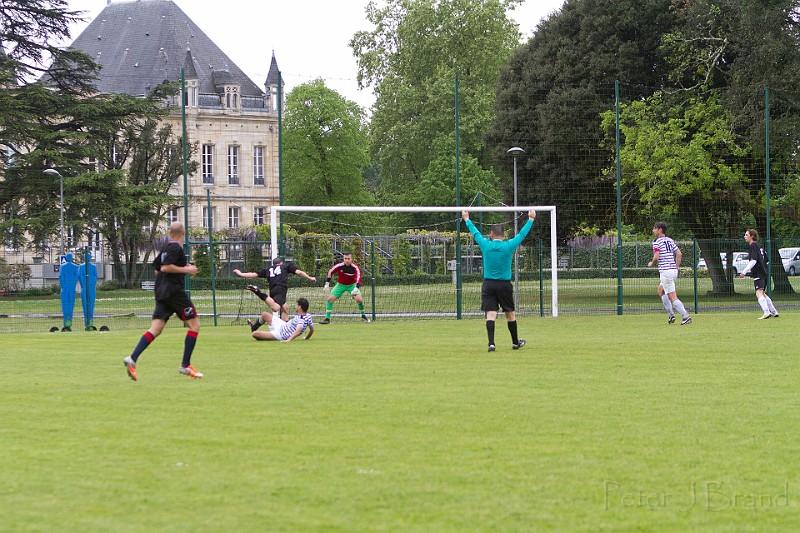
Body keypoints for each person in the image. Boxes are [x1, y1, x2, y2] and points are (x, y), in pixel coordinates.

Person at [123, 222, 203, 381]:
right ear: (183, 233)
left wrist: (181, 266)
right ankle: (185, 365)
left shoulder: (166, 247)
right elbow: (166, 268)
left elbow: (157, 269)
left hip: (161, 292)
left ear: (170, 232)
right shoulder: (176, 248)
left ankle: (132, 358)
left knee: (156, 329)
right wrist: (186, 269)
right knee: (195, 325)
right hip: (174, 292)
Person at [463, 209, 536, 352]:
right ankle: (515, 342)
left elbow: (475, 233)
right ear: (504, 235)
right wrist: (531, 219)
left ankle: (491, 344)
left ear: (491, 234)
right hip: (504, 285)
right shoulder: (508, 246)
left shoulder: (486, 245)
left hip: (489, 284)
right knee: (510, 313)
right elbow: (522, 235)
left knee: (491, 313)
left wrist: (466, 219)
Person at [234, 256, 316, 320]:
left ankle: (283, 328)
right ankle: (257, 291)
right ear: (281, 263)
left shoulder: (268, 269)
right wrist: (310, 278)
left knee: (286, 310)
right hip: (281, 289)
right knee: (275, 308)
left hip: (273, 290)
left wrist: (241, 273)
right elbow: (299, 272)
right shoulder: (286, 266)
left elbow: (253, 274)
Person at [647, 222, 691, 325]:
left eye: (654, 228)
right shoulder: (670, 240)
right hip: (672, 271)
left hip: (666, 271)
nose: (653, 230)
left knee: (672, 296)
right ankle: (671, 315)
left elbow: (657, 256)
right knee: (661, 290)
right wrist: (676, 267)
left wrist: (652, 263)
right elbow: (679, 253)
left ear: (660, 229)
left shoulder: (656, 242)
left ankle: (686, 316)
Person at [738, 228, 779, 320]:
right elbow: (766, 260)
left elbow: (753, 260)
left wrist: (744, 271)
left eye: (746, 235)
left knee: (758, 293)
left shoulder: (753, 245)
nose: (745, 237)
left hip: (759, 273)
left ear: (752, 236)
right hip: (764, 272)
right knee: (763, 293)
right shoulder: (759, 246)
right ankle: (774, 311)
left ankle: (766, 312)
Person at [320, 252, 369, 324]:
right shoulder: (339, 266)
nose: (347, 260)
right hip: (340, 285)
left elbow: (359, 277)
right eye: (345, 258)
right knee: (330, 299)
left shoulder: (355, 267)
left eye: (348, 258)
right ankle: (327, 319)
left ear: (351, 259)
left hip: (352, 285)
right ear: (343, 259)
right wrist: (327, 284)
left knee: (359, 300)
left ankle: (363, 316)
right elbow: (330, 272)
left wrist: (356, 288)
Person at [249, 297, 314, 342]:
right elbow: (312, 330)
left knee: (254, 334)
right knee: (264, 315)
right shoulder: (308, 316)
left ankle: (267, 334)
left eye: (296, 305)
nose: (295, 306)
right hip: (282, 325)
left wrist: (288, 340)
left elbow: (298, 330)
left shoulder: (301, 319)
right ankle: (254, 327)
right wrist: (306, 338)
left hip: (281, 335)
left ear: (299, 307)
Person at [58, 253, 79, 332]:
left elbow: (60, 276)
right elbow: (77, 276)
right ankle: (69, 322)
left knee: (65, 306)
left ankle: (66, 323)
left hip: (65, 288)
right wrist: (73, 283)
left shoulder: (62, 266)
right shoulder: (75, 266)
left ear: (66, 258)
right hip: (72, 288)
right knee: (71, 305)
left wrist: (63, 285)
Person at [78, 252, 98, 331]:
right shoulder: (81, 266)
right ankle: (86, 322)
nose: (88, 258)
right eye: (86, 256)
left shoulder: (93, 266)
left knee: (91, 305)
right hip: (84, 288)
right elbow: (80, 276)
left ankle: (90, 322)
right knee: (85, 306)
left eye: (89, 256)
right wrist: (84, 285)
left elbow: (95, 276)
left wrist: (92, 284)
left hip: (91, 288)